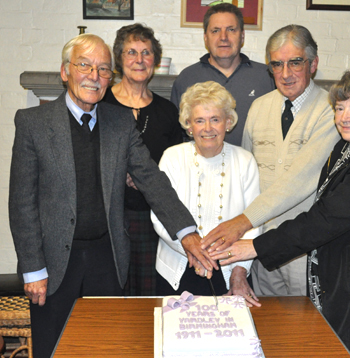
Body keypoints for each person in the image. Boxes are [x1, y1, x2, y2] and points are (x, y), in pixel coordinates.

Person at [9, 33, 216, 358]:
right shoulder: (33, 123)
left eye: (103, 69)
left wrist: (187, 235)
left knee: (105, 346)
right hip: (52, 263)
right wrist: (33, 268)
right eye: (85, 66)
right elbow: (22, 202)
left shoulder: (120, 122)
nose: (94, 76)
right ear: (66, 72)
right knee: (53, 348)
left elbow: (152, 179)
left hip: (107, 258)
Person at [211, 65, 350, 357]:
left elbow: (327, 218)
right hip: (347, 280)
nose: (345, 117)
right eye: (340, 108)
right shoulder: (348, 147)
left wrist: (254, 247)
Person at [202, 24, 340, 297]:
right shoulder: (258, 107)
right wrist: (244, 252)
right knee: (267, 325)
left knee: (305, 324)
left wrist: (240, 223)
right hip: (262, 243)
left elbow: (299, 180)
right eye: (277, 65)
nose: (286, 74)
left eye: (295, 62)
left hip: (305, 244)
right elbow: (246, 180)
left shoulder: (331, 110)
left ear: (313, 64)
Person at [151, 81, 262, 307]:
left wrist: (239, 271)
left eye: (215, 119)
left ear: (228, 123)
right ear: (188, 125)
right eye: (199, 120)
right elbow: (160, 215)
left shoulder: (245, 160)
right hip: (177, 266)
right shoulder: (172, 157)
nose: (207, 128)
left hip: (231, 267)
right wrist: (195, 252)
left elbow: (254, 221)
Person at [102, 23, 183, 296]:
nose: (139, 60)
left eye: (146, 53)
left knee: (149, 296)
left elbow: (177, 163)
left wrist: (147, 179)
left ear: (155, 61)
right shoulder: (101, 106)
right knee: (113, 292)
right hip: (110, 218)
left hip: (153, 220)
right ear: (119, 60)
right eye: (131, 52)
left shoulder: (168, 112)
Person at [170, 3, 275, 146]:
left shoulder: (266, 76)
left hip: (255, 166)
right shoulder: (187, 78)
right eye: (215, 31)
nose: (223, 37)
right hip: (201, 165)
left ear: (242, 36)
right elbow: (178, 136)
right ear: (206, 38)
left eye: (231, 30)